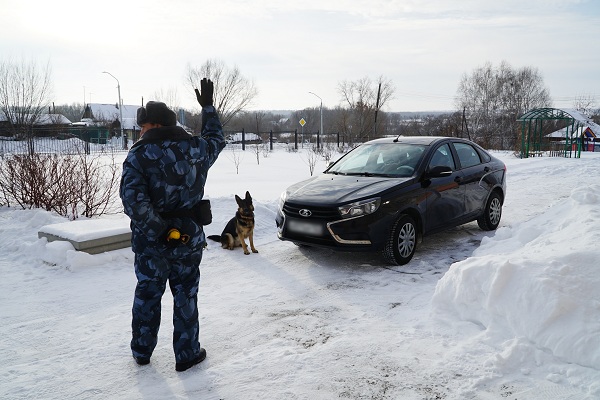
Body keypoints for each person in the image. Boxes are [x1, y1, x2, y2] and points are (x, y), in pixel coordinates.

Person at [120, 78, 225, 372]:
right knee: (186, 294)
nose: (140, 131)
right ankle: (187, 353)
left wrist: (160, 230)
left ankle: (142, 351)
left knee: (148, 295)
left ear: (152, 125)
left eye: (142, 126)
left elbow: (134, 203)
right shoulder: (196, 148)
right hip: (188, 240)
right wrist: (208, 108)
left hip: (152, 244)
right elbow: (217, 138)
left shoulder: (139, 155)